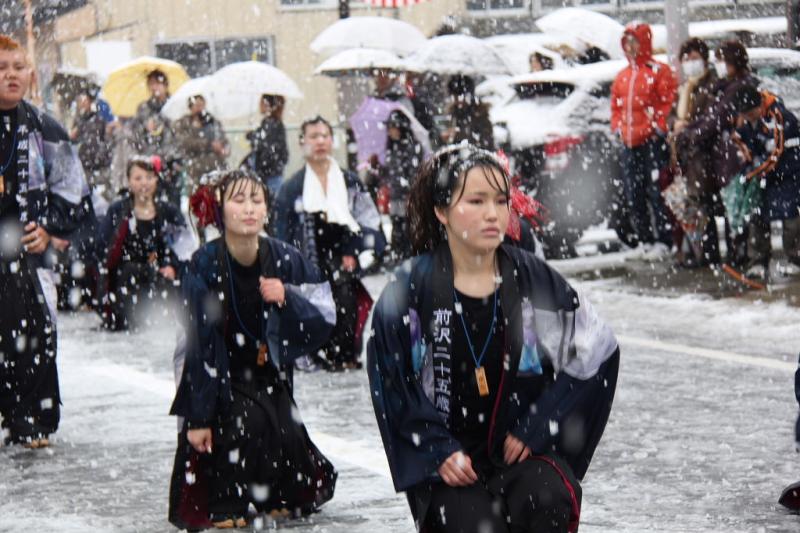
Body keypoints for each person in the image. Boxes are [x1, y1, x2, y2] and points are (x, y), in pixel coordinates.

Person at [367, 144, 620, 533]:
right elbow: (390, 375)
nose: (492, 213)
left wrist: (538, 425)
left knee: (547, 496)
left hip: (518, 453)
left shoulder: (530, 277)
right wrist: (436, 449)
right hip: (451, 466)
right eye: (476, 200)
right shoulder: (411, 286)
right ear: (441, 211)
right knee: (470, 524)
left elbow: (597, 347)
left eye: (501, 201)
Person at [169, 170, 337, 530]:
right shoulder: (203, 263)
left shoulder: (283, 256)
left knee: (284, 432)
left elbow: (324, 310)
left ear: (266, 209)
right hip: (221, 377)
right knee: (246, 420)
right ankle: (226, 501)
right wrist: (198, 418)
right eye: (238, 200)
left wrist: (287, 297)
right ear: (220, 209)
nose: (248, 209)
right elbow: (200, 343)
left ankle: (274, 496)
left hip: (268, 370)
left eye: (256, 201)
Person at [0, 35, 94, 448]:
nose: (11, 75)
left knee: (34, 332)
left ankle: (30, 420)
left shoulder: (45, 127)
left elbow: (74, 190)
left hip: (27, 251)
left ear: (31, 74)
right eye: (2, 67)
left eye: (18, 67)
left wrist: (50, 229)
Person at [274, 116, 386, 371]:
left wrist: (354, 251)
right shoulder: (292, 188)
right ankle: (320, 354)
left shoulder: (348, 181)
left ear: (333, 141)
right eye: (313, 136)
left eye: (325, 135)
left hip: (342, 256)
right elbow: (281, 232)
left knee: (346, 303)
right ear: (302, 143)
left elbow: (368, 219)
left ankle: (344, 356)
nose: (320, 141)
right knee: (314, 309)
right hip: (308, 259)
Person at [96, 156, 194, 330]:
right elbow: (103, 245)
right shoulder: (118, 210)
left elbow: (184, 246)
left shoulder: (168, 211)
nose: (144, 183)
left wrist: (173, 266)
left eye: (149, 177)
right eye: (138, 178)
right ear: (129, 181)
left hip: (159, 272)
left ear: (156, 179)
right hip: (125, 278)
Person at [610, 22, 677, 257]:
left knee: (656, 191)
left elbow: (667, 102)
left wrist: (657, 128)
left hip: (651, 142)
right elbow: (616, 107)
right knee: (634, 192)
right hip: (629, 143)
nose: (630, 47)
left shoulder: (658, 71)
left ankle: (665, 241)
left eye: (634, 41)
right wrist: (618, 128)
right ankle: (645, 240)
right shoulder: (623, 76)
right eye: (626, 42)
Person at [669, 37, 731, 267]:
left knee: (715, 206)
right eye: (686, 59)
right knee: (695, 207)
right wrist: (675, 123)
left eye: (694, 58)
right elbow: (672, 115)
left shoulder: (713, 84)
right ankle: (704, 254)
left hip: (709, 156)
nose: (690, 63)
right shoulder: (684, 88)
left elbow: (710, 118)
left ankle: (726, 254)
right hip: (688, 157)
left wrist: (689, 128)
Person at [731, 85, 800, 279]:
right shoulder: (747, 120)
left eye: (751, 113)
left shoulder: (780, 116)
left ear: (759, 105)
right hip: (764, 176)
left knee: (791, 219)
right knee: (757, 216)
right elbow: (741, 142)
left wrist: (755, 173)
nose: (749, 118)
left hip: (788, 175)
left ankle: (796, 259)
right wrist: (748, 168)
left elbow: (776, 154)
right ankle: (758, 262)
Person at [381, 110, 423, 263]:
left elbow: (414, 173)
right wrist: (377, 168)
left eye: (392, 127)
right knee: (397, 228)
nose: (390, 131)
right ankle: (399, 257)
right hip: (395, 196)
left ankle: (408, 259)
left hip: (408, 197)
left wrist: (407, 190)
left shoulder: (411, 147)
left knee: (408, 230)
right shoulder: (392, 147)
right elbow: (389, 173)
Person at [174, 94, 228, 193]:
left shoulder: (213, 122)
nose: (200, 108)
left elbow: (224, 141)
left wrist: (224, 149)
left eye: (202, 105)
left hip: (216, 165)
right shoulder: (184, 123)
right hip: (195, 168)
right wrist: (208, 144)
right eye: (197, 105)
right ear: (191, 107)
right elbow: (184, 142)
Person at [70, 86, 114, 202]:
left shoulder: (99, 118)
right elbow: (73, 142)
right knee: (86, 197)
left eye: (85, 100)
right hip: (85, 165)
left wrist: (104, 150)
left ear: (90, 101)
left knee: (104, 197)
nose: (82, 103)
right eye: (80, 101)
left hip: (101, 164)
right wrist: (72, 137)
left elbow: (108, 140)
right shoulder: (77, 121)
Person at [246, 94, 288, 197]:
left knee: (272, 203)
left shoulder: (271, 124)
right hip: (271, 173)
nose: (259, 106)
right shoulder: (271, 123)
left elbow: (267, 148)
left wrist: (253, 137)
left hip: (270, 174)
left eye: (261, 103)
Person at [442, 75, 495, 151]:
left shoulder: (479, 113)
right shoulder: (453, 113)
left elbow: (485, 142)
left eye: (461, 96)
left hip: (477, 158)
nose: (459, 100)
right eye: (455, 97)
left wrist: (458, 135)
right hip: (456, 157)